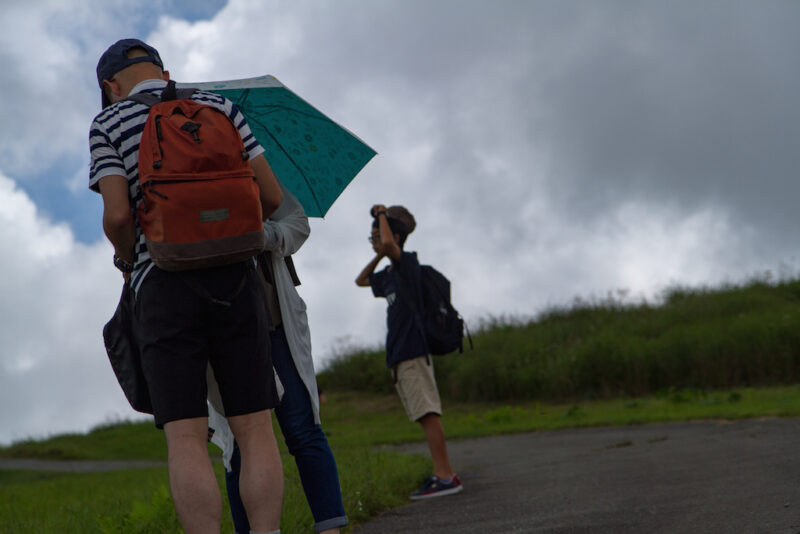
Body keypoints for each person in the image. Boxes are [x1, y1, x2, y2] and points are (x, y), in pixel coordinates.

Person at [90, 38, 284, 534]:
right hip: (235, 277)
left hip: (164, 283)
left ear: (111, 86)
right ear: (163, 69)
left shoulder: (108, 122)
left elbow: (116, 214)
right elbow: (272, 196)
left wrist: (128, 255)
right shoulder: (220, 106)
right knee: (256, 427)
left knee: (185, 434)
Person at [207, 182, 348, 534]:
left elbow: (298, 223)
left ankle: (330, 528)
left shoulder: (254, 171)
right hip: (221, 332)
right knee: (238, 447)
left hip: (276, 324)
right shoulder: (182, 183)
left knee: (303, 430)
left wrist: (264, 235)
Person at [355, 204, 463, 499]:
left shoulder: (408, 265)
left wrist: (381, 215)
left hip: (413, 351)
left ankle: (445, 476)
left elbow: (390, 244)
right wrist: (378, 253)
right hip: (401, 356)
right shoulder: (389, 274)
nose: (375, 239)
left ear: (396, 237)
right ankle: (444, 474)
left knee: (428, 414)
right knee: (423, 414)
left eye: (377, 235)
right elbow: (361, 281)